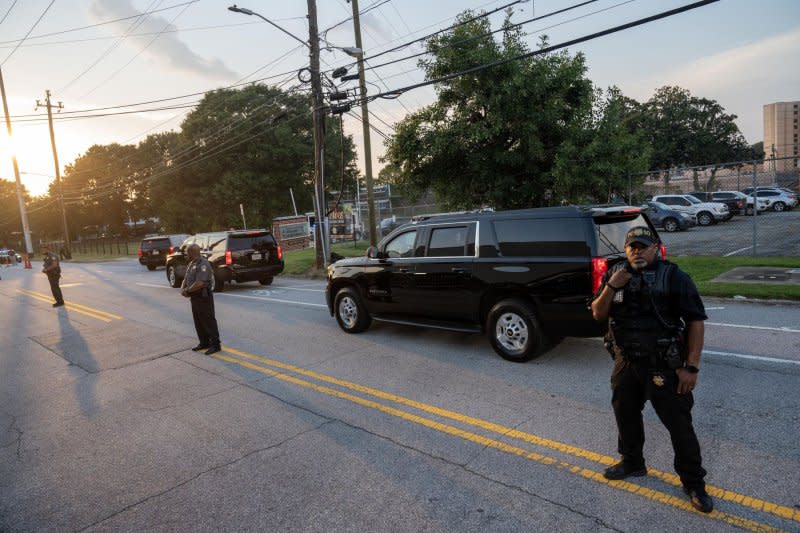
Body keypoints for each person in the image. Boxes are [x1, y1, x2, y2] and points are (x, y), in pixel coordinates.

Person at [591, 226, 713, 513]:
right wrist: (612, 286)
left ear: (656, 248)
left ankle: (694, 482)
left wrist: (691, 367)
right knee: (626, 416)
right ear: (625, 248)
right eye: (632, 246)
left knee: (680, 427)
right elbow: (598, 312)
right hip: (626, 364)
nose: (636, 250)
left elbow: (696, 321)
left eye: (643, 246)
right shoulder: (614, 274)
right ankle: (633, 462)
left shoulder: (674, 277)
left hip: (665, 367)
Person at [181, 243, 221, 355]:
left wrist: (187, 291)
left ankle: (215, 345)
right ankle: (204, 342)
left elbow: (200, 283)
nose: (186, 254)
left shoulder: (203, 264)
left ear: (192, 252)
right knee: (198, 321)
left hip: (203, 297)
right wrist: (183, 289)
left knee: (208, 320)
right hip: (195, 297)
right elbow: (187, 278)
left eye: (187, 252)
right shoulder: (192, 263)